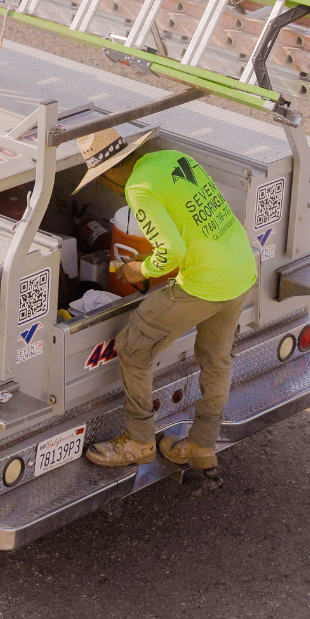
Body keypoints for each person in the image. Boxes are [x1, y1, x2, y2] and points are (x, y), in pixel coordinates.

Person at [75, 128, 258, 471]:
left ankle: (139, 441)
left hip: (205, 282)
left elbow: (171, 251)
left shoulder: (138, 187)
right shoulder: (172, 158)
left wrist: (139, 270)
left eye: (102, 179)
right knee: (216, 359)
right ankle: (201, 445)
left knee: (132, 347)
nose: (106, 187)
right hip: (240, 267)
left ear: (113, 170)